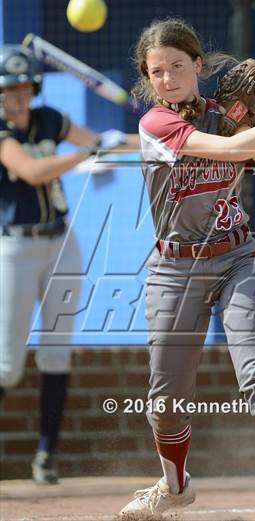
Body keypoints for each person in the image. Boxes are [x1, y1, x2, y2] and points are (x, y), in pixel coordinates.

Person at [118, 18, 255, 521]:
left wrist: (252, 129)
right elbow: (226, 151)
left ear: (198, 65)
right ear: (148, 80)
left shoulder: (226, 118)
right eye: (157, 71)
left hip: (238, 257)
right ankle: (175, 487)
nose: (168, 77)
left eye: (177, 66)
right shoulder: (155, 125)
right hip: (175, 269)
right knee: (166, 397)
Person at [0, 45, 137, 484]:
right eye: (8, 89)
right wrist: (93, 148)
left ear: (34, 88)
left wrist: (164, 137)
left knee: (57, 351)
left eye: (23, 87)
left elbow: (101, 143)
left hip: (61, 242)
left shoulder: (49, 118)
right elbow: (32, 171)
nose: (17, 97)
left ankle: (46, 456)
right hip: (15, 248)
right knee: (8, 365)